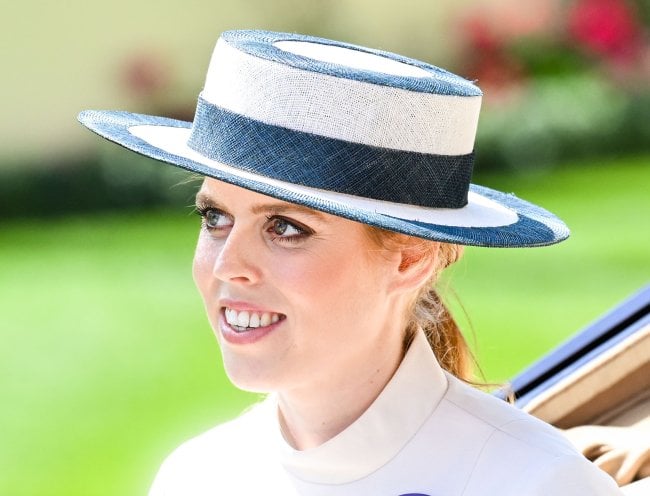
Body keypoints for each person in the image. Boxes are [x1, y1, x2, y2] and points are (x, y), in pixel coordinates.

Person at [78, 30, 623, 495]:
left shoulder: (535, 483)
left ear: (412, 259)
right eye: (215, 217)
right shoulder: (197, 477)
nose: (227, 265)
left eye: (285, 228)